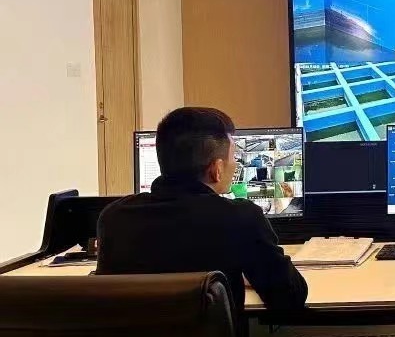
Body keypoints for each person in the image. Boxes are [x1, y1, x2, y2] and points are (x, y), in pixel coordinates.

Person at [97, 107, 308, 313]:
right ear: (216, 169)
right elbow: (290, 298)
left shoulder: (114, 217)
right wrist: (254, 272)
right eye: (233, 158)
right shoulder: (240, 218)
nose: (235, 165)